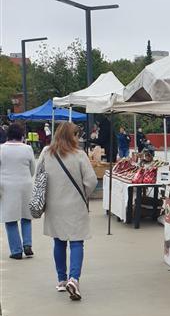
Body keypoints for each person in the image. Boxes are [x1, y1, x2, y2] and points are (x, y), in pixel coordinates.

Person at [39, 121, 98, 300]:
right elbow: (92, 181)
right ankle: (74, 278)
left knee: (59, 242)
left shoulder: (46, 153)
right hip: (75, 205)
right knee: (76, 242)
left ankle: (61, 279)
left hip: (54, 205)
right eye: (76, 135)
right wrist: (83, 194)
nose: (78, 138)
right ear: (71, 136)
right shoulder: (79, 155)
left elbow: (39, 177)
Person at [0, 122, 35, 259]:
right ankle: (27, 244)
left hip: (7, 186)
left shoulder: (1, 149)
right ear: (22, 134)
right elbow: (33, 169)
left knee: (10, 219)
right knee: (26, 216)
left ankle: (16, 250)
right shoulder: (27, 149)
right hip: (25, 184)